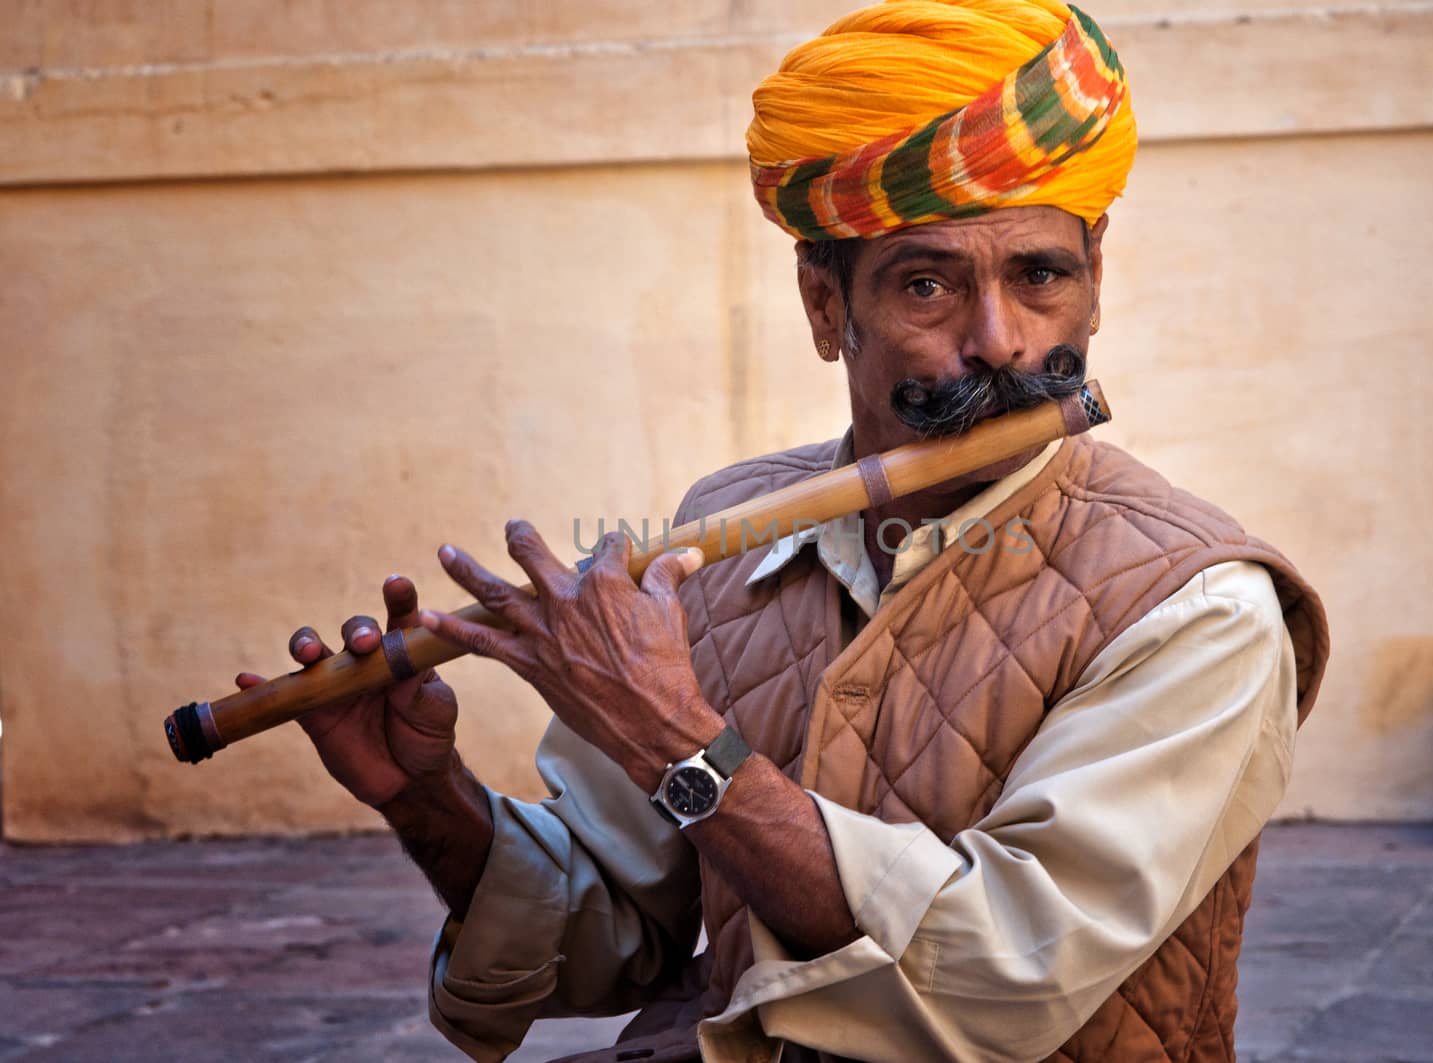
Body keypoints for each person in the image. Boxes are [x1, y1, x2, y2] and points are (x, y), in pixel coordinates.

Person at [239, 2, 1330, 1060]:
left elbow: (996, 982)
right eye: (926, 285)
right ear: (825, 308)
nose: (998, 341)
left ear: (1092, 290)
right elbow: (609, 945)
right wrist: (430, 799)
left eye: (1040, 276)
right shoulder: (721, 534)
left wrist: (674, 742)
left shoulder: (1199, 606)